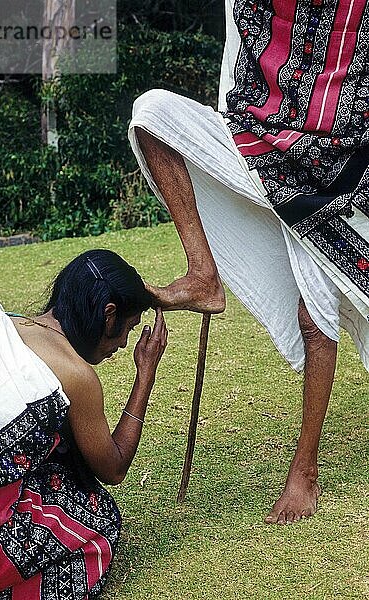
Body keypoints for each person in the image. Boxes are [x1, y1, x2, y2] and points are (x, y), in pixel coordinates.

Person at [128, 0, 369, 525]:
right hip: (257, 143)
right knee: (151, 114)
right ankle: (202, 272)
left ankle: (304, 471)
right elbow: (233, 80)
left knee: (315, 314)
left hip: (336, 170)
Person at [0, 249, 168, 599]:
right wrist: (145, 375)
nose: (123, 343)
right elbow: (114, 467)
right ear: (109, 315)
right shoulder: (75, 374)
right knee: (98, 522)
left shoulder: (1, 323)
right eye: (128, 329)